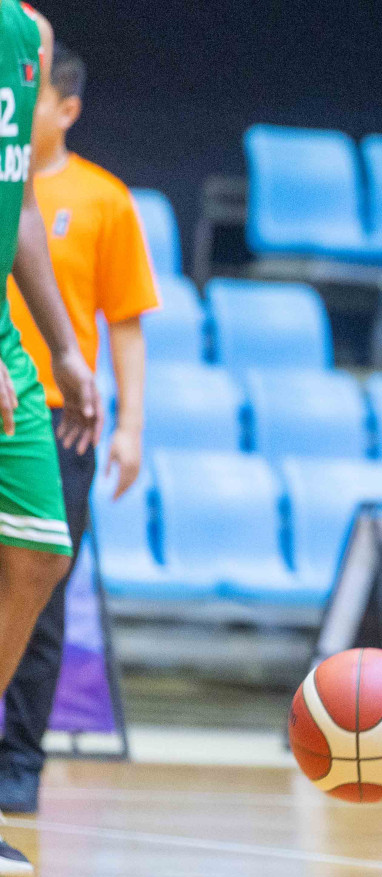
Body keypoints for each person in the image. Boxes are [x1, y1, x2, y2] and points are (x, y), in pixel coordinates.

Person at [0, 40, 156, 815]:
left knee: (43, 581)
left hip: (58, 418)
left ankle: (19, 761)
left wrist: (130, 425)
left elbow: (126, 324)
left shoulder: (104, 198)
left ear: (67, 108)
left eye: (30, 96)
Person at [0, 0, 101, 877]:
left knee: (38, 555)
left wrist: (65, 346)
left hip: (10, 335)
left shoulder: (27, 35)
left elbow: (17, 197)